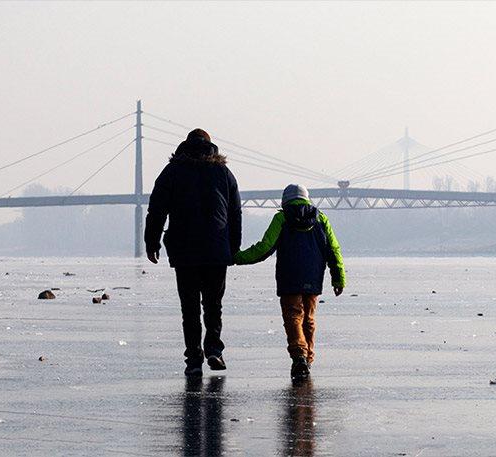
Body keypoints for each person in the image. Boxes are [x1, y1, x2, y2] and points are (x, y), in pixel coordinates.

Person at [145, 128, 242, 377]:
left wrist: (151, 241)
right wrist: (233, 247)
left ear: (184, 146)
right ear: (211, 147)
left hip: (184, 250)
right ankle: (214, 350)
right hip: (216, 249)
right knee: (213, 305)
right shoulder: (224, 172)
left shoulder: (173, 172)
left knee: (189, 307)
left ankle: (193, 360)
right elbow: (235, 213)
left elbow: (156, 210)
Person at [234, 184, 346, 380]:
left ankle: (299, 356)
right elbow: (333, 250)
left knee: (293, 316)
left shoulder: (282, 217)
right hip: (313, 276)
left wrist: (237, 257)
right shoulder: (321, 218)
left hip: (289, 275)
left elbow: (265, 247)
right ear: (306, 198)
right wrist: (338, 277)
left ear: (285, 200)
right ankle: (308, 359)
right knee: (309, 319)